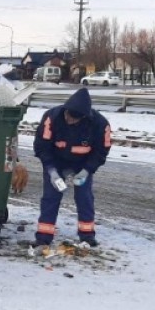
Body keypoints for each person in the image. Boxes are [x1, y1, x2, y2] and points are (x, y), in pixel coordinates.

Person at [33, 87, 111, 247]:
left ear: (83, 117)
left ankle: (87, 235)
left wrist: (87, 171)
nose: (69, 120)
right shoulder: (51, 118)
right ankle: (43, 237)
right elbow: (42, 146)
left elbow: (101, 151)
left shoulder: (100, 124)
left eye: (74, 119)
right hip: (56, 161)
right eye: (68, 116)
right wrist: (51, 171)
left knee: (84, 197)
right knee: (51, 197)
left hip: (83, 164)